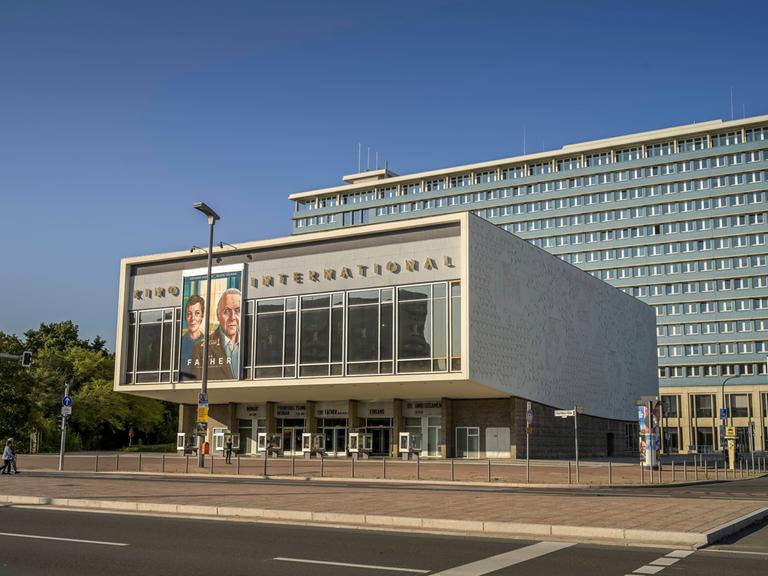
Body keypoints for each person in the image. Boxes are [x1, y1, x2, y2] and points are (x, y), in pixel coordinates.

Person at [192, 288, 241, 380]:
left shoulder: (252, 344)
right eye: (226, 311)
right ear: (218, 315)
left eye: (238, 311)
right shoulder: (200, 348)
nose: (233, 317)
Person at [179, 295, 206, 381]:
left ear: (202, 316)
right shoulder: (179, 343)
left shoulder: (210, 343)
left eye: (197, 313)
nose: (193, 318)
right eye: (189, 314)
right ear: (185, 318)